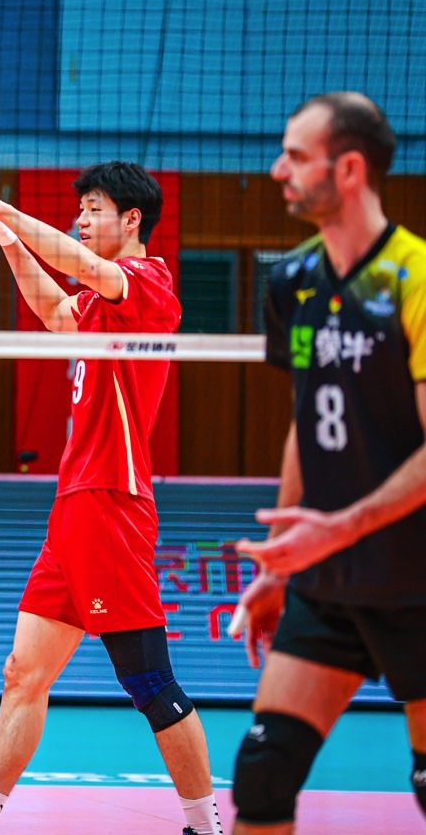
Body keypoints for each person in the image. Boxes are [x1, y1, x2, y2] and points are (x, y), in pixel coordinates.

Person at [0, 159, 221, 835]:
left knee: (149, 681)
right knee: (23, 673)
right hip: (73, 505)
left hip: (111, 501)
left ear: (132, 219)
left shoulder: (147, 284)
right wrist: (5, 237)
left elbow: (83, 269)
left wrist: (0, 208)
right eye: (80, 210)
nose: (81, 220)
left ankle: (207, 829)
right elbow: (55, 309)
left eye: (94, 210)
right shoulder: (97, 303)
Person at [229, 93, 426, 834]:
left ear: (348, 170)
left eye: (295, 156)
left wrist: (340, 527)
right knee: (263, 772)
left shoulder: (413, 279)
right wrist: (282, 560)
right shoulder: (293, 283)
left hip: (417, 579)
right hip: (329, 581)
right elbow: (306, 421)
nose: (277, 170)